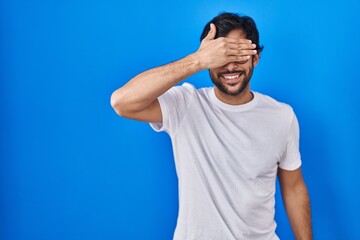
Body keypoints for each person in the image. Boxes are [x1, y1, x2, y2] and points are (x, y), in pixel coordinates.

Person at [111, 12, 312, 240]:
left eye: (239, 54)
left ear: (255, 58)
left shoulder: (282, 116)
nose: (231, 66)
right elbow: (122, 102)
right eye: (222, 56)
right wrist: (197, 60)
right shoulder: (185, 104)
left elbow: (294, 187)